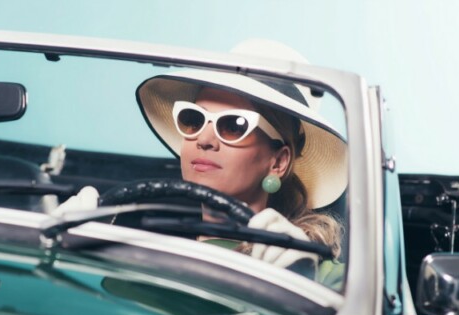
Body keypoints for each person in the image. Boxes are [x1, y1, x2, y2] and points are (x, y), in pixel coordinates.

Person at [55, 40, 348, 283]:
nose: (204, 140)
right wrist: (75, 254)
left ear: (278, 161)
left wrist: (298, 283)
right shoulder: (149, 257)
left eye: (233, 125)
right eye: (194, 120)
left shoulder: (324, 277)